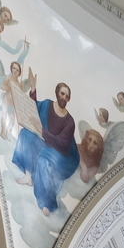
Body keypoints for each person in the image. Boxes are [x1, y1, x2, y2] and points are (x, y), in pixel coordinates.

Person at [11, 80, 79, 216]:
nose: (64, 98)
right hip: (45, 141)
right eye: (62, 94)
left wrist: (42, 131)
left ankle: (46, 202)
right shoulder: (48, 104)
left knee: (43, 157)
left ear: (68, 99)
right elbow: (33, 108)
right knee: (25, 134)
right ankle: (28, 176)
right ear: (57, 93)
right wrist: (33, 89)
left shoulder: (69, 121)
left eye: (67, 96)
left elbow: (62, 144)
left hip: (62, 155)